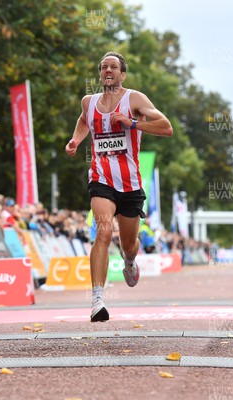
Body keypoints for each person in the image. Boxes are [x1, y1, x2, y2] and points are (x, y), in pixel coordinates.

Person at [65, 51, 173, 322]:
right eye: (104, 67)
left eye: (113, 67)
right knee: (102, 231)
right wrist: (76, 141)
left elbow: (166, 127)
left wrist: (131, 123)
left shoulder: (134, 99)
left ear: (122, 74)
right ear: (100, 73)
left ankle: (129, 262)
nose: (108, 71)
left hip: (130, 183)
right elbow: (82, 121)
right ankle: (97, 300)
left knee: (128, 244)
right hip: (101, 178)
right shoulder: (88, 102)